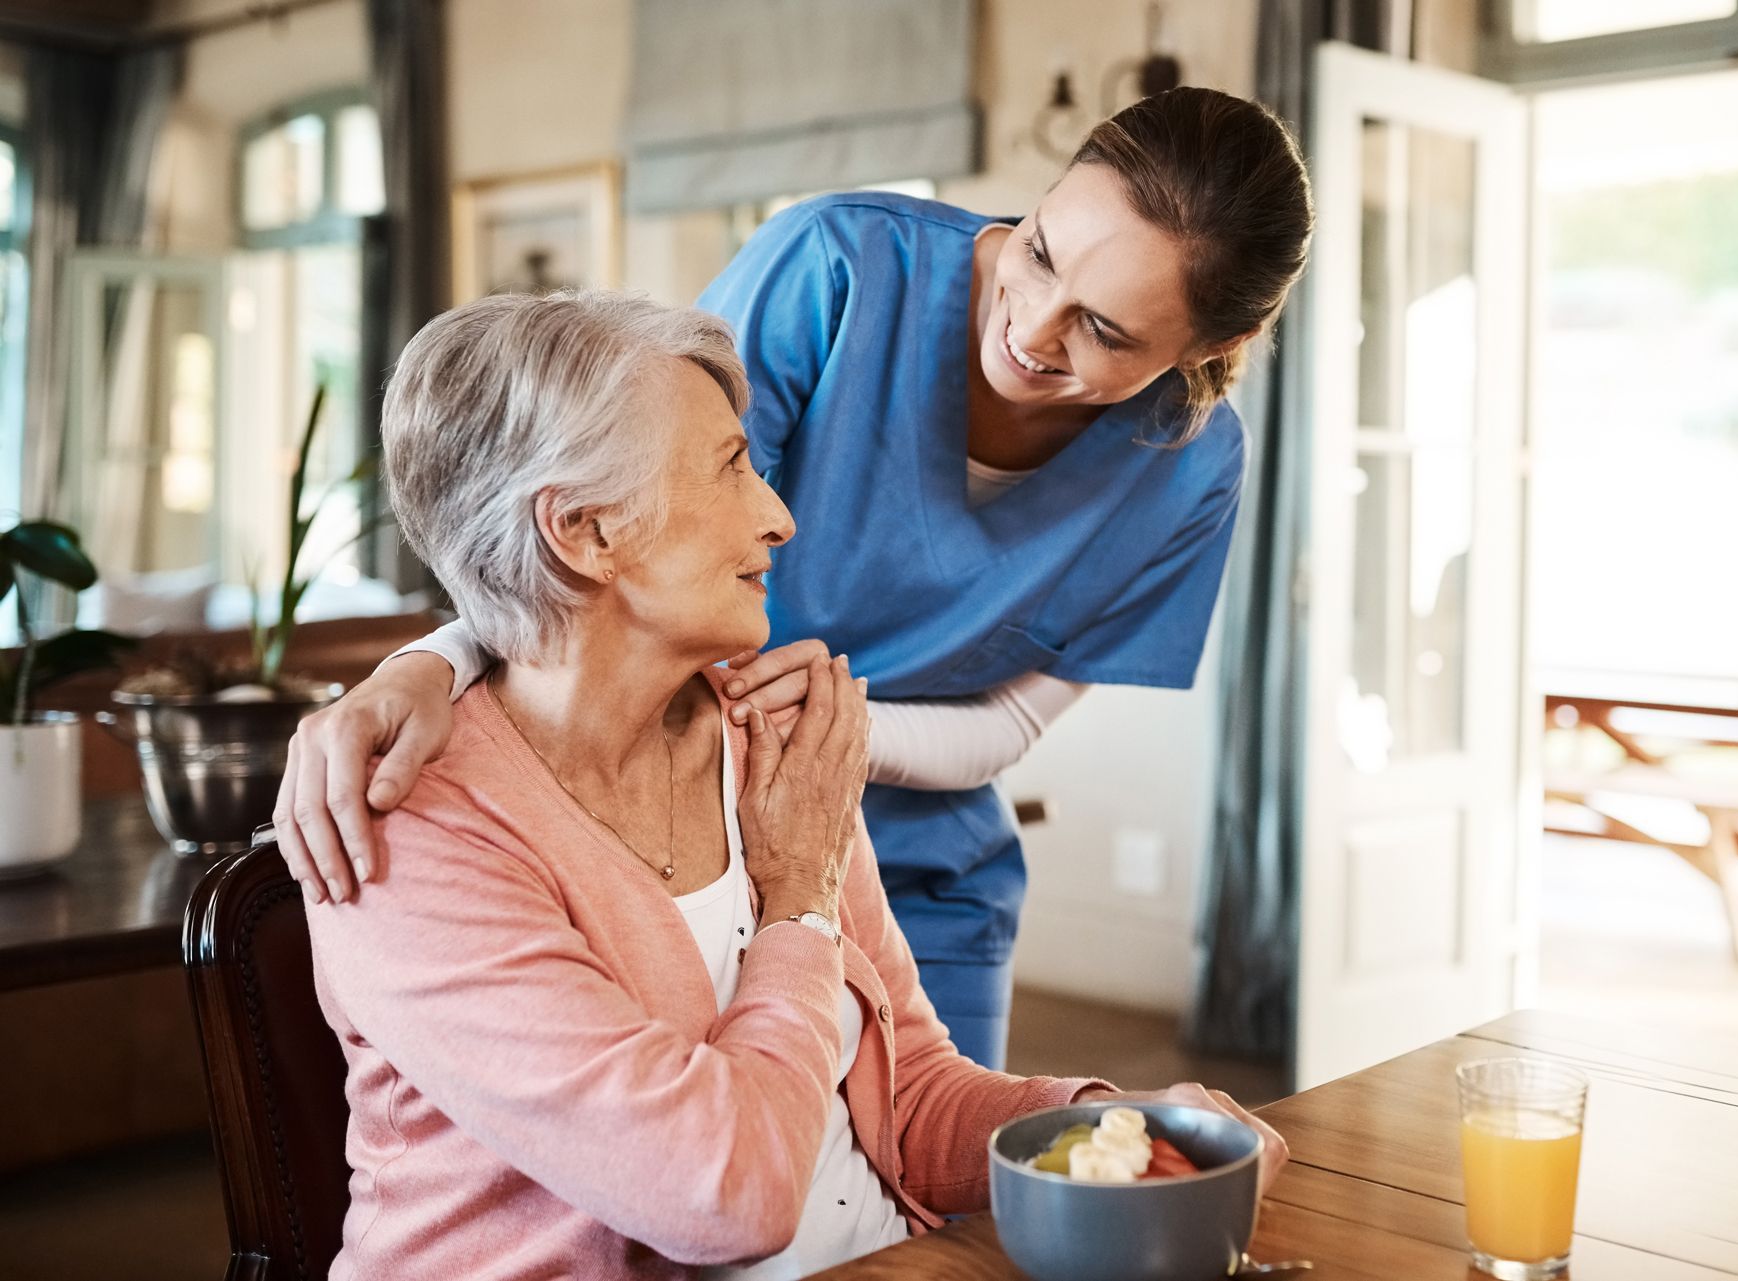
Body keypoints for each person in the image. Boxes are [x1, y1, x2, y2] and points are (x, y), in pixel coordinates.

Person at [276, 87, 1315, 1070]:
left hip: (920, 870)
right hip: (675, 833)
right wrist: (434, 661)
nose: (1032, 328)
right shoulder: (838, 269)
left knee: (932, 1220)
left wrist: (830, 742)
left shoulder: (1190, 470)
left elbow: (1011, 727)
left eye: (1103, 330)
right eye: (1039, 252)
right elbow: (597, 516)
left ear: (1214, 346)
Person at [304, 291, 1286, 1280]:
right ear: (585, 532)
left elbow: (910, 1101)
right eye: (732, 468)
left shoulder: (768, 743)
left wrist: (1108, 1126)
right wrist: (800, 906)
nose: (779, 518)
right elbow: (728, 1196)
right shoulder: (407, 828)